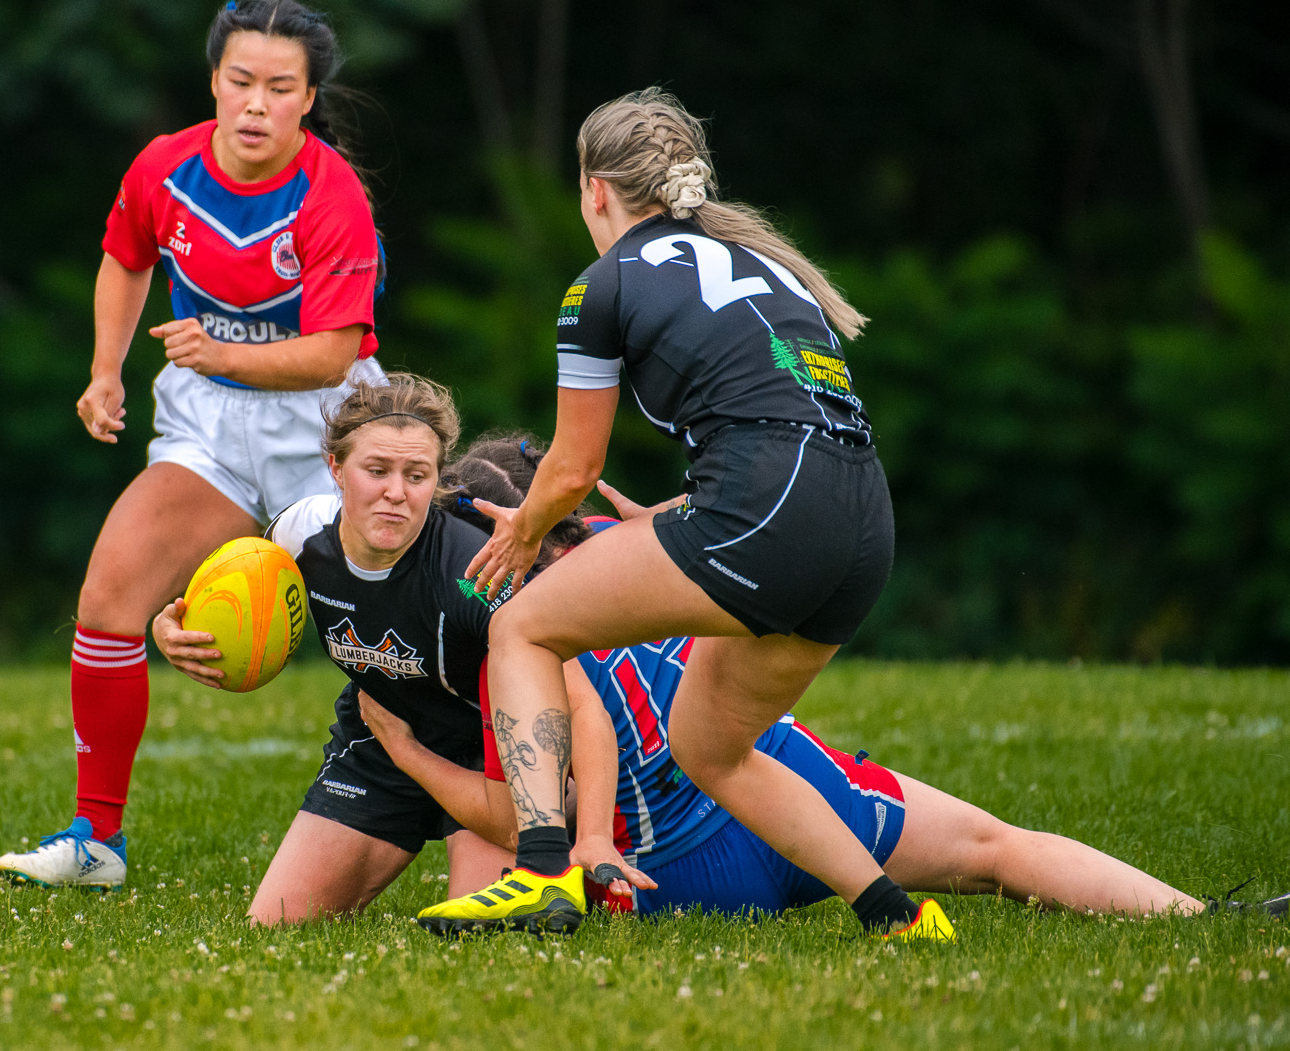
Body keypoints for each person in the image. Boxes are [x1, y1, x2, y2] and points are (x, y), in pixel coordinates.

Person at [418, 87, 946, 938]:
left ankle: (544, 872)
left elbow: (572, 468)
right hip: (861, 525)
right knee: (709, 749)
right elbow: (790, 422)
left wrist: (521, 531)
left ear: (594, 190)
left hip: (768, 515)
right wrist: (688, 511)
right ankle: (895, 914)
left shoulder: (600, 285)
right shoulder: (767, 263)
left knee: (522, 628)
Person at [355, 451, 1223, 925]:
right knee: (997, 850)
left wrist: (406, 752)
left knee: (494, 869)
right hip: (801, 792)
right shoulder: (651, 566)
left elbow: (520, 819)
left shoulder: (519, 648)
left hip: (690, 869)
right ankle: (1208, 918)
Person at [0, 0, 387, 890]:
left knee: (394, 633)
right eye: (240, 80)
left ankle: (505, 821)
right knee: (108, 600)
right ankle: (97, 843)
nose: (255, 103)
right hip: (206, 424)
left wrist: (227, 353)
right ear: (213, 81)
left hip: (325, 435)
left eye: (279, 87)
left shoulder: (333, 195)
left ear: (307, 99)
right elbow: (127, 257)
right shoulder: (164, 169)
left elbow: (333, 354)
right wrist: (105, 371)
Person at [151, 377, 589, 925]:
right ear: (336, 468)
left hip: (489, 751)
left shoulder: (476, 572)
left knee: (489, 936)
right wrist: (176, 632)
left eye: (417, 475)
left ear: (436, 478)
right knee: (276, 922)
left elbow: (577, 705)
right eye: (376, 471)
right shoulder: (296, 535)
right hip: (378, 734)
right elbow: (240, 603)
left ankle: (570, 833)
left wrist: (590, 830)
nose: (397, 492)